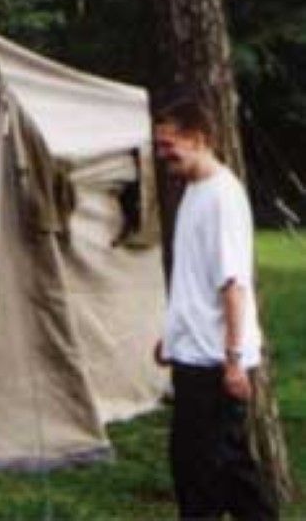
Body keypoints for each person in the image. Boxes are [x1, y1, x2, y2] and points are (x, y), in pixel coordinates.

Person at [152, 99, 278, 521]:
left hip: (214, 361)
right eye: (159, 145)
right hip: (193, 353)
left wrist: (234, 361)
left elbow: (233, 285)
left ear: (198, 138)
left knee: (210, 473)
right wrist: (171, 336)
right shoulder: (193, 191)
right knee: (212, 470)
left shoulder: (222, 197)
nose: (162, 154)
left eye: (169, 144)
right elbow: (195, 278)